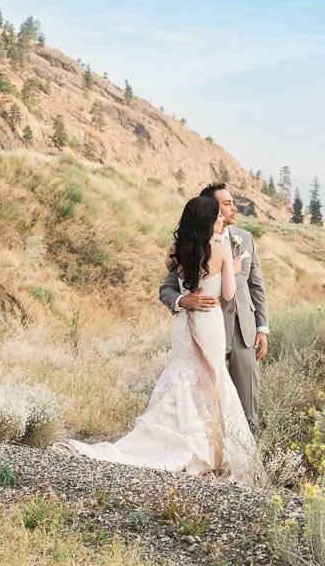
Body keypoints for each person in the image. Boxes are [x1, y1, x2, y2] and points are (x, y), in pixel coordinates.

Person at [53, 196, 257, 478]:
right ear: (210, 220)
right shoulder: (220, 248)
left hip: (185, 326)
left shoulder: (178, 249)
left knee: (184, 373)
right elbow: (228, 294)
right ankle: (209, 450)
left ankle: (186, 439)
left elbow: (184, 274)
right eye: (218, 215)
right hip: (208, 321)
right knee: (211, 377)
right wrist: (230, 271)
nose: (223, 218)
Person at [159, 183, 269, 432]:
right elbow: (166, 288)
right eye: (226, 203)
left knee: (246, 399)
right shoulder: (188, 246)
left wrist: (262, 327)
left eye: (232, 202)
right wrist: (181, 301)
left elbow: (256, 286)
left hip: (243, 332)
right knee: (204, 391)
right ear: (209, 209)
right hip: (203, 330)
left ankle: (245, 446)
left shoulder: (246, 238)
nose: (232, 208)